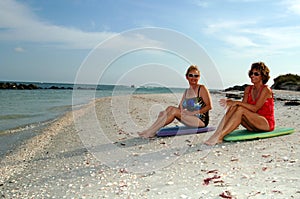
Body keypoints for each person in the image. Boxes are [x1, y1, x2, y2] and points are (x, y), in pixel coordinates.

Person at [205, 62, 275, 145]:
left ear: (262, 76)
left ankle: (220, 136)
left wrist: (236, 102)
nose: (252, 75)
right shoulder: (248, 89)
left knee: (239, 108)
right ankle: (216, 134)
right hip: (251, 125)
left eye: (256, 74)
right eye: (251, 73)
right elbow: (242, 106)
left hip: (265, 123)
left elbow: (255, 108)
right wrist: (232, 103)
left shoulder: (266, 90)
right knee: (234, 107)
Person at [138, 65, 213, 138]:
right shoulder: (186, 91)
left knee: (172, 110)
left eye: (196, 76)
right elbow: (179, 108)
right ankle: (149, 130)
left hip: (200, 121)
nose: (193, 78)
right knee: (170, 108)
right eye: (191, 75)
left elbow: (209, 106)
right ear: (187, 77)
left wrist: (192, 112)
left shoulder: (202, 88)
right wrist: (165, 113)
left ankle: (152, 132)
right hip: (189, 119)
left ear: (199, 77)